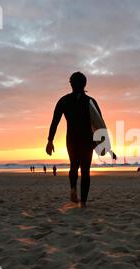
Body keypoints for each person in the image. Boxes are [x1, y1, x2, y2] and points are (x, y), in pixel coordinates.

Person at [46, 71, 114, 208]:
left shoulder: (64, 100)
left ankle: (72, 189)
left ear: (71, 83)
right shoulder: (90, 101)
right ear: (85, 84)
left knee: (73, 166)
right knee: (85, 171)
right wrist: (104, 145)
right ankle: (83, 203)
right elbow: (99, 124)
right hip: (87, 139)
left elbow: (55, 122)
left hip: (71, 138)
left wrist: (50, 141)